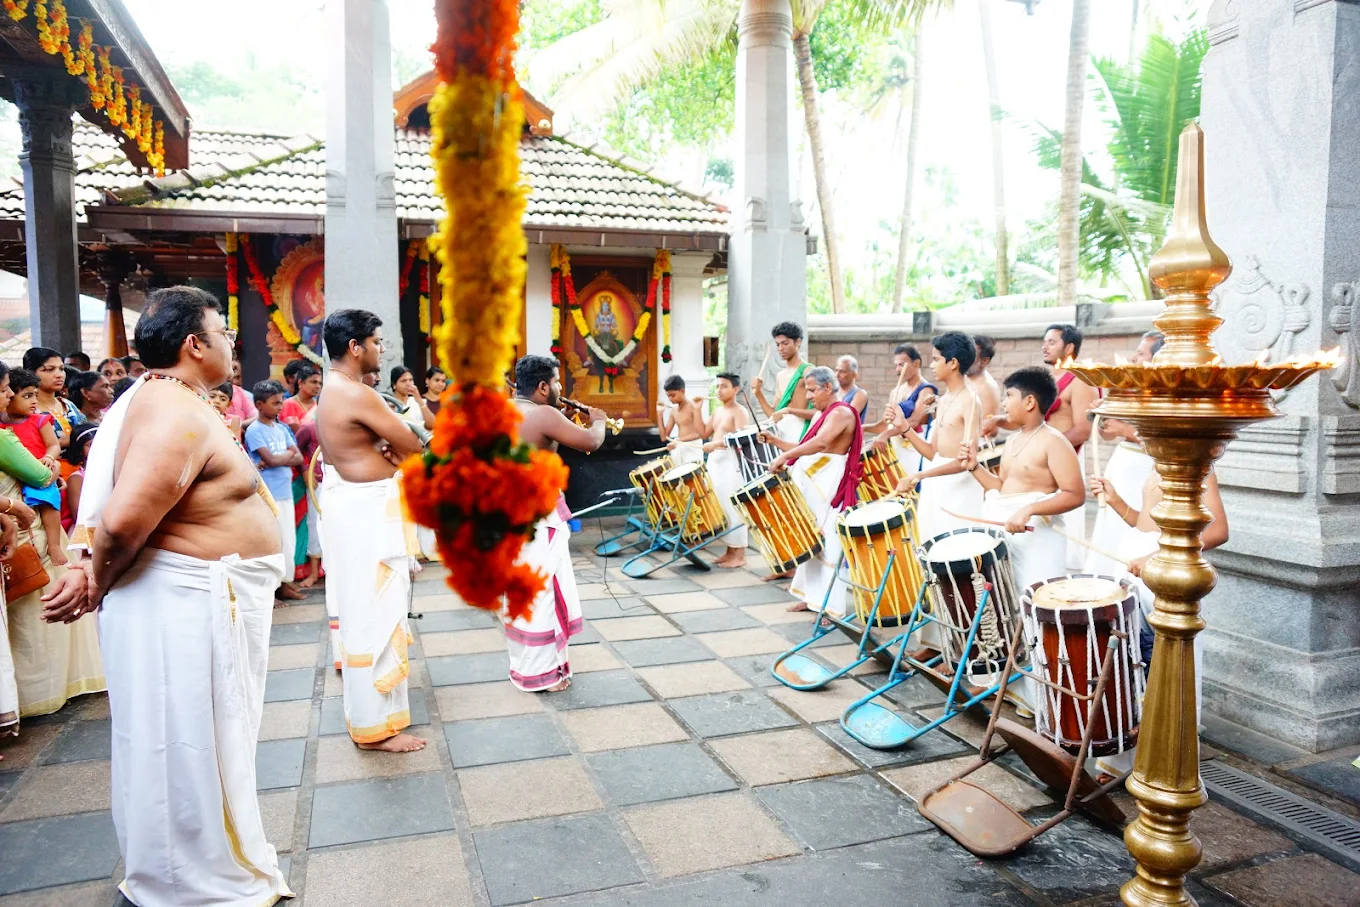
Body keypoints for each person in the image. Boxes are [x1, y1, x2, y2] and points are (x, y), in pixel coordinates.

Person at [66, 285, 291, 905]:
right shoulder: (172, 411)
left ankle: (205, 862)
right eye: (222, 334)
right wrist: (96, 582)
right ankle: (189, 880)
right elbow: (121, 521)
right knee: (185, 742)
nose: (230, 347)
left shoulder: (179, 399)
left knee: (204, 738)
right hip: (185, 604)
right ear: (195, 344)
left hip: (199, 599)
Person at [316, 309, 427, 752]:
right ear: (354, 347)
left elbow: (401, 442)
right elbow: (415, 443)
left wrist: (394, 445)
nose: (383, 350)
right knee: (370, 617)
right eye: (378, 342)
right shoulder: (356, 393)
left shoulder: (336, 388)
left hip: (358, 509)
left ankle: (381, 719)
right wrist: (397, 447)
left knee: (371, 613)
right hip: (364, 515)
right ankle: (372, 729)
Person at [1087, 467, 1228, 778]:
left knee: (1165, 667)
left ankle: (1164, 766)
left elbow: (1218, 531)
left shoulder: (1200, 467)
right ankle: (1120, 761)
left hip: (1168, 571)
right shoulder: (1155, 460)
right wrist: (1117, 503)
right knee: (1128, 664)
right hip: (1135, 569)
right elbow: (1145, 524)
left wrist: (1157, 556)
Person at [508, 355, 604, 690]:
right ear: (543, 386)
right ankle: (542, 675)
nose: (561, 389)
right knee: (544, 592)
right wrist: (599, 420)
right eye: (558, 382)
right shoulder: (543, 414)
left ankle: (525, 666)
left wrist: (562, 419)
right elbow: (591, 442)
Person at [760, 366, 863, 616]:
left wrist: (785, 455)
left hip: (829, 484)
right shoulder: (823, 413)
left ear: (828, 387)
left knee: (827, 541)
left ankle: (831, 607)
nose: (808, 396)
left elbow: (821, 443)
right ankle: (811, 598)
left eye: (812, 390)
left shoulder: (841, 413)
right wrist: (776, 442)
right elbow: (805, 446)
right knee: (809, 538)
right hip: (815, 479)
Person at [892, 332, 983, 541]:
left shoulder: (970, 400)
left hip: (959, 490)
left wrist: (920, 475)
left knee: (956, 554)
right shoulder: (942, 401)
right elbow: (933, 453)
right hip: (936, 483)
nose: (931, 366)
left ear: (953, 363)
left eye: (936, 360)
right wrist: (904, 426)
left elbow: (965, 461)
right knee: (929, 551)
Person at [1, 369, 68, 566]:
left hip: (37, 469)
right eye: (5, 390)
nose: (10, 395)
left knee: (48, 502)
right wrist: (54, 470)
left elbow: (54, 445)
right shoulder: (2, 431)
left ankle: (54, 546)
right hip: (26, 481)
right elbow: (43, 476)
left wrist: (50, 460)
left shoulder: (39, 420)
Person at [245, 380, 305, 606]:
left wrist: (278, 460)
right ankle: (269, 590)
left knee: (287, 540)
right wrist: (283, 458)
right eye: (275, 403)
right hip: (267, 495)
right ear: (260, 404)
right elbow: (268, 459)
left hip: (285, 491)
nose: (281, 407)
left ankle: (284, 584)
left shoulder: (282, 428)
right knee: (271, 542)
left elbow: (297, 457)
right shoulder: (254, 430)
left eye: (281, 402)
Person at [700, 372, 751, 568]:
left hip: (731, 462)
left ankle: (740, 555)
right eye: (718, 386)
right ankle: (729, 551)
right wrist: (696, 408)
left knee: (733, 506)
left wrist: (716, 444)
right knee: (720, 504)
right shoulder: (718, 411)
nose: (719, 390)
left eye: (724, 386)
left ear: (735, 389)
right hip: (715, 461)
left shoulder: (740, 411)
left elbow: (742, 439)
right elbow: (703, 432)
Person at [751, 321, 810, 442]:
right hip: (782, 433)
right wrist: (758, 393)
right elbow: (774, 415)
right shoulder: (780, 376)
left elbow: (820, 412)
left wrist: (790, 411)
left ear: (798, 342)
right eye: (778, 345)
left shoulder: (808, 371)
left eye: (785, 343)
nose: (781, 348)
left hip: (802, 433)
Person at [23, 347, 81, 448]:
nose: (59, 375)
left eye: (61, 369)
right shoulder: (27, 409)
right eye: (50, 370)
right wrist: (60, 444)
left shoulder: (68, 405)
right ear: (31, 373)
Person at [658, 374, 707, 465]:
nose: (670, 399)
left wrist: (679, 440)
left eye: (673, 395)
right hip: (678, 447)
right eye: (668, 396)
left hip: (693, 447)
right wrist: (659, 414)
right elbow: (664, 437)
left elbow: (700, 434)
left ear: (682, 391)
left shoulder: (693, 406)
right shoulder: (674, 410)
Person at [61, 423, 97, 534]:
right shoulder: (76, 479)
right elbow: (79, 517)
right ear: (80, 449)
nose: (97, 447)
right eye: (90, 445)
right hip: (85, 531)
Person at [967, 335, 1002, 435]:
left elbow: (991, 430)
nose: (965, 359)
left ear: (984, 361)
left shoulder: (987, 388)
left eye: (971, 356)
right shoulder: (962, 377)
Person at [391, 365, 435, 430]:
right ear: (394, 385)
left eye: (410, 380)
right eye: (404, 381)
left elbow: (432, 424)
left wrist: (419, 399)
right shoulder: (389, 403)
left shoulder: (419, 402)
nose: (408, 384)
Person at [281, 364, 321, 430]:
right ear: (300, 382)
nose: (318, 386)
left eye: (320, 383)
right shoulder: (289, 404)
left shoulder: (319, 404)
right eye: (314, 382)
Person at [226, 355, 258, 427]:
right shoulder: (213, 393)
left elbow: (256, 415)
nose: (235, 371)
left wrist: (240, 425)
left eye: (238, 377)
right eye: (233, 369)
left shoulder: (239, 392)